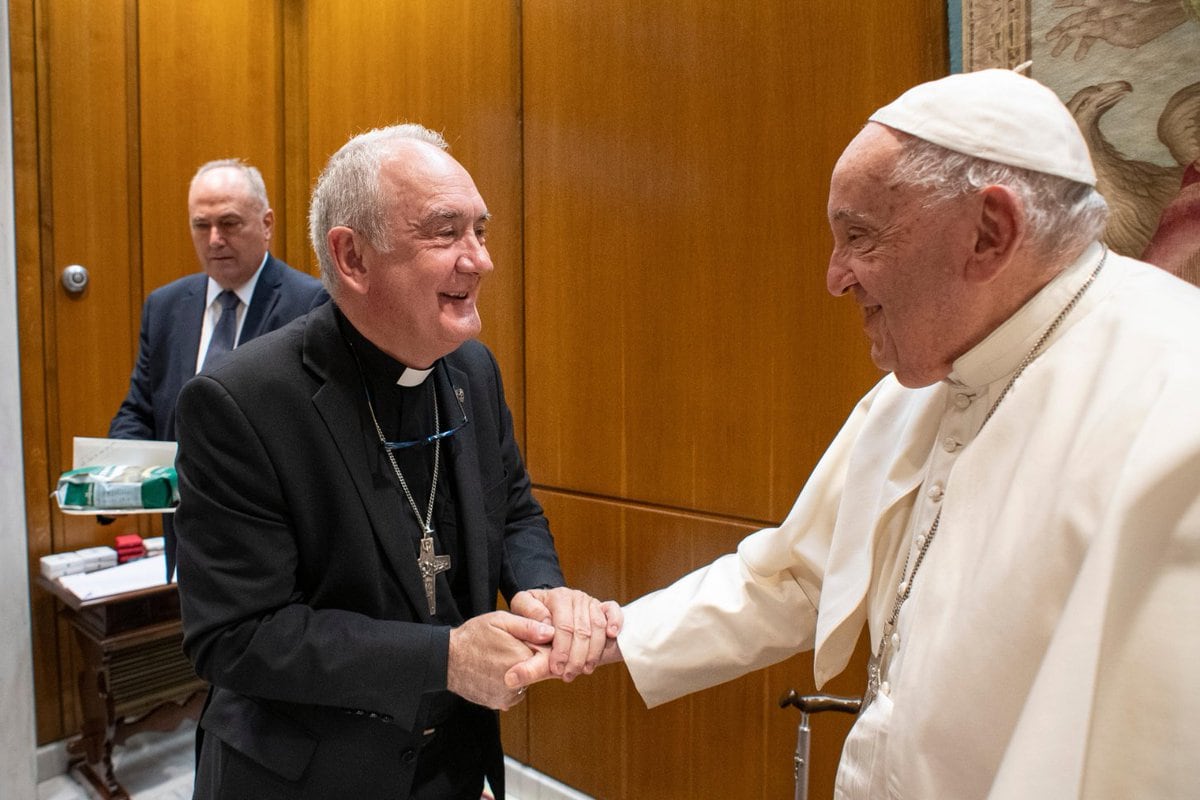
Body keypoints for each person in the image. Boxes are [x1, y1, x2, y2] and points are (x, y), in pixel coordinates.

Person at [510, 69, 1200, 797]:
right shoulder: (927, 382)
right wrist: (607, 635)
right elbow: (798, 574)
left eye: (859, 237)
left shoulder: (1174, 400)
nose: (836, 278)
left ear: (990, 233)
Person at [173, 124, 614, 800]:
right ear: (353, 257)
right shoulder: (240, 402)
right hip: (305, 777)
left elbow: (514, 507)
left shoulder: (471, 369)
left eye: (481, 231)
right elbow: (237, 636)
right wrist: (446, 659)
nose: (480, 261)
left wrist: (536, 587)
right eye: (446, 233)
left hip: (452, 764)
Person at [108, 159, 326, 578]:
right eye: (200, 225)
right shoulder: (165, 307)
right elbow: (141, 411)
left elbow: (312, 433)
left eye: (228, 223)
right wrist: (110, 477)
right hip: (186, 538)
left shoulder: (310, 304)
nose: (214, 240)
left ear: (266, 224)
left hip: (273, 538)